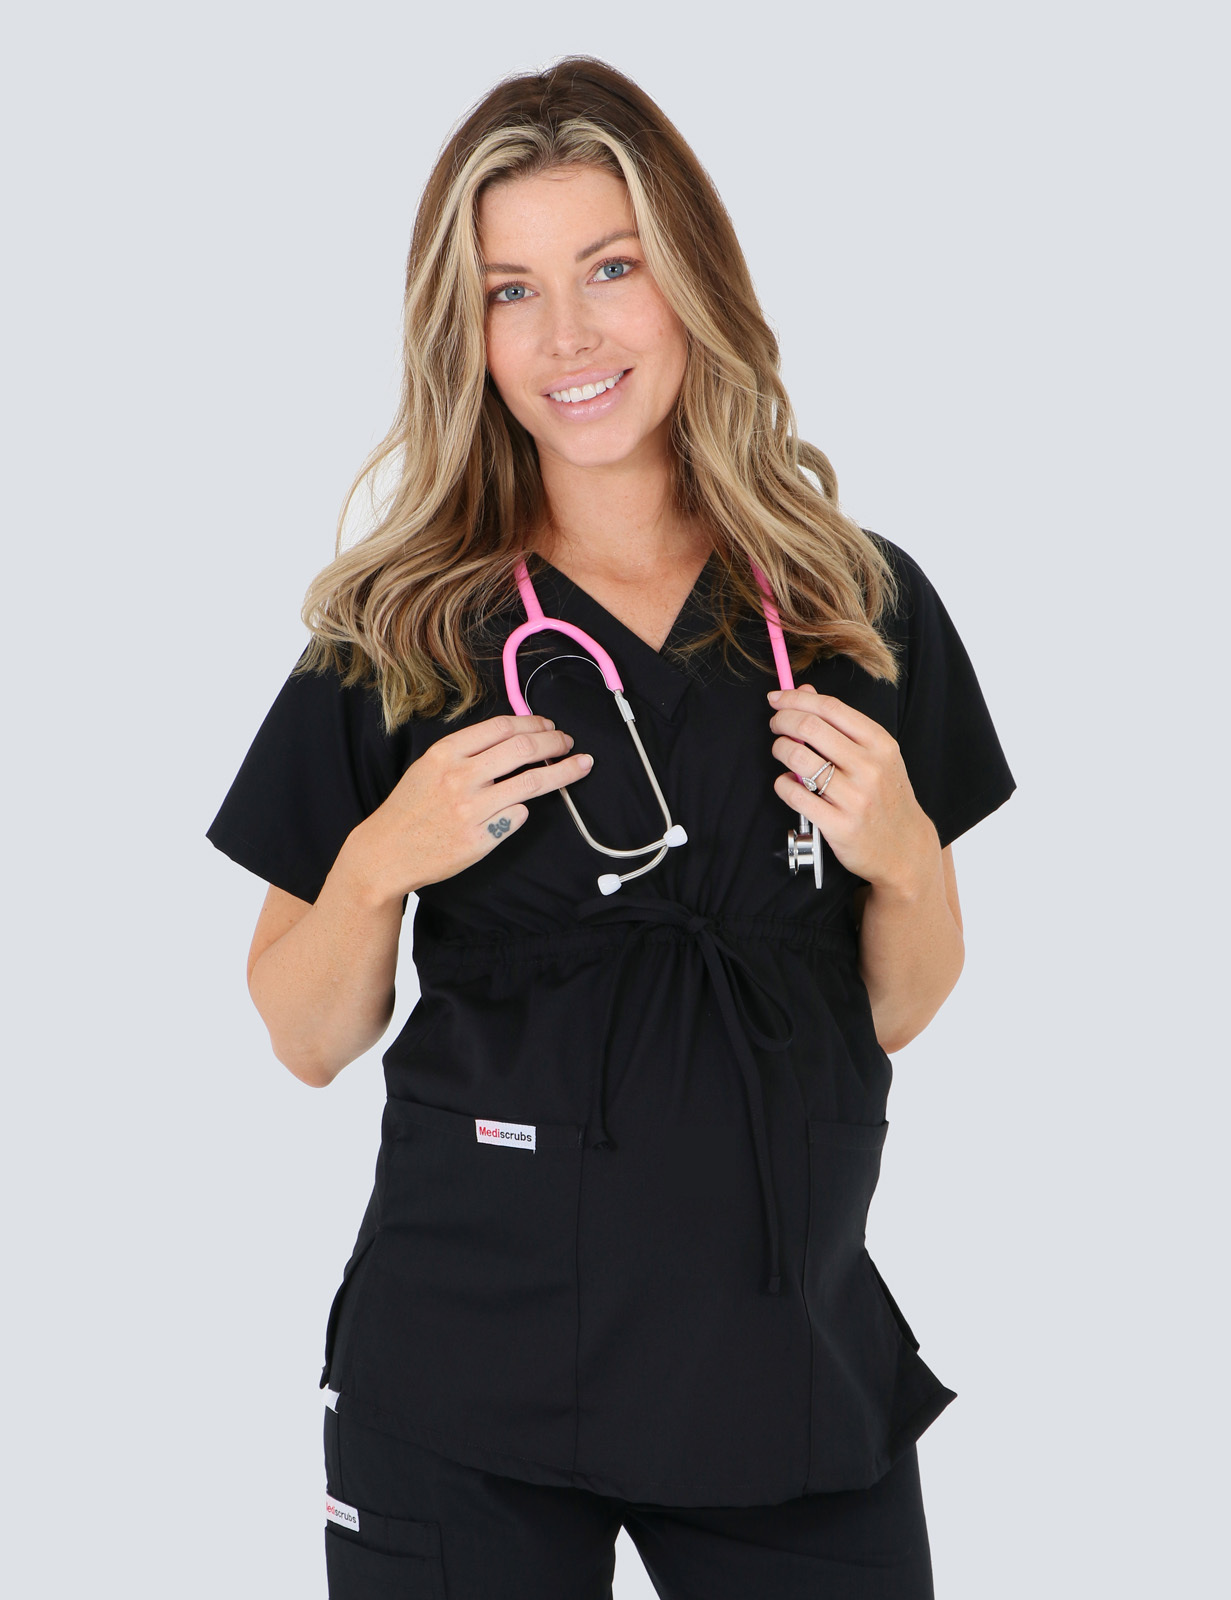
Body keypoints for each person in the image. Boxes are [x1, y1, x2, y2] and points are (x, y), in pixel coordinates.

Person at [207, 55, 1015, 1600]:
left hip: (784, 1361)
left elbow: (901, 1007)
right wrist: (382, 858)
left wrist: (906, 851)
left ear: (691, 281)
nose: (566, 337)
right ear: (464, 333)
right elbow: (305, 1040)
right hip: (464, 1375)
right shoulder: (397, 631)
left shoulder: (857, 606)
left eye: (610, 268)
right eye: (510, 291)